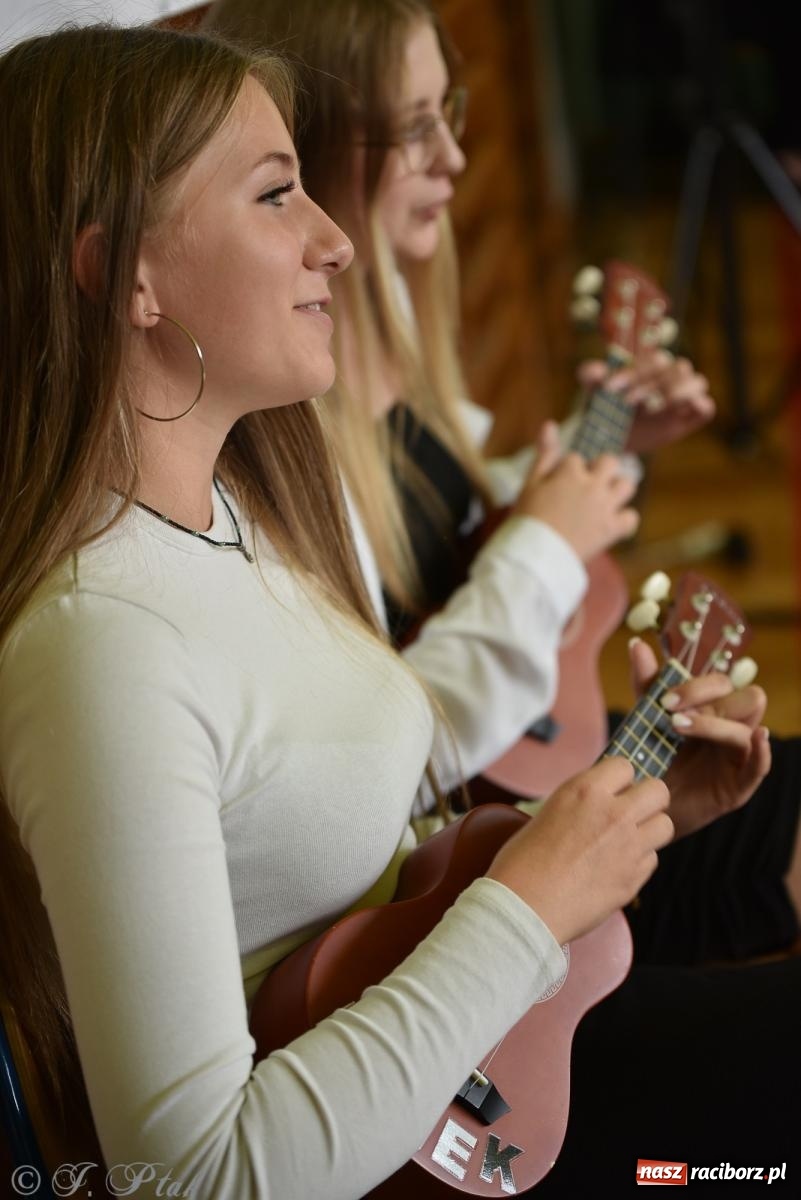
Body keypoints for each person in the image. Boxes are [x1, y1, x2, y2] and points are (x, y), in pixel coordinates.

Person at [0, 19, 783, 1200]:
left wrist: (633, 809)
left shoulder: (243, 507)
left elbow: (377, 871)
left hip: (494, 1083)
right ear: (126, 277)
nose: (334, 244)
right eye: (276, 197)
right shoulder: (97, 648)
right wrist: (524, 908)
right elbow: (193, 1179)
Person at [205, 0, 801, 970]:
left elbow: (466, 534)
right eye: (413, 128)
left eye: (453, 113)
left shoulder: (394, 331)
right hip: (463, 860)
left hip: (537, 781)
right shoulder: (282, 427)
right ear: (306, 153)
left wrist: (620, 451)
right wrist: (549, 545)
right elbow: (387, 757)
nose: (452, 160)